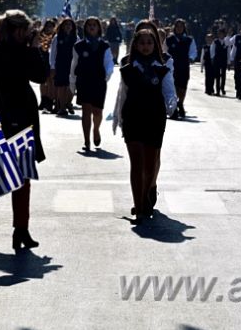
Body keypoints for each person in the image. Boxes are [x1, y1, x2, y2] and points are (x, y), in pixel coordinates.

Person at [0, 10, 49, 250]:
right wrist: (35, 48)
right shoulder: (22, 53)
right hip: (19, 117)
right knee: (22, 179)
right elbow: (41, 75)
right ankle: (21, 230)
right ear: (19, 31)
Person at [113, 29, 177, 224]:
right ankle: (139, 208)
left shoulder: (162, 67)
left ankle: (147, 194)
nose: (146, 46)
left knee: (150, 165)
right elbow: (122, 94)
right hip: (133, 117)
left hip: (155, 118)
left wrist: (172, 105)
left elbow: (169, 90)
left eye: (150, 43)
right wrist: (118, 118)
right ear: (135, 45)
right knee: (137, 164)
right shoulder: (128, 67)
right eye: (142, 43)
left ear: (155, 45)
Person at [70, 17, 114, 152]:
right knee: (86, 111)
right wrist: (72, 81)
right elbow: (74, 64)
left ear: (99, 28)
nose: (92, 27)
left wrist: (105, 77)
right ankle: (86, 141)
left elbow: (109, 64)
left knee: (97, 111)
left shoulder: (104, 46)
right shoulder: (78, 46)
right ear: (85, 28)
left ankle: (96, 129)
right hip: (84, 81)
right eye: (89, 25)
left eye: (94, 25)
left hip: (99, 82)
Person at [165, 19, 197, 118]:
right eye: (177, 26)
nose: (179, 28)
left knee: (182, 87)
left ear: (184, 28)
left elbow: (193, 51)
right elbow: (164, 51)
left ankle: (181, 103)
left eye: (181, 26)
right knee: (173, 87)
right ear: (174, 27)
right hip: (172, 67)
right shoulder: (169, 39)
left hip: (183, 66)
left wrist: (191, 58)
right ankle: (173, 107)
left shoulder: (189, 40)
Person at [49, 17, 78, 116]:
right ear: (62, 26)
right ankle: (62, 108)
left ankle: (68, 103)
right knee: (61, 86)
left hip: (73, 65)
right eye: (66, 24)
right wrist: (52, 66)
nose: (68, 26)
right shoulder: (57, 38)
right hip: (60, 64)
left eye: (70, 25)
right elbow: (53, 53)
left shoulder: (76, 38)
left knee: (71, 86)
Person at [210, 28, 228, 96]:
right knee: (217, 76)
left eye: (222, 33)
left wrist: (229, 61)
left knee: (223, 75)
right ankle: (217, 90)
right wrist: (212, 58)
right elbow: (212, 50)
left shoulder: (226, 42)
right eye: (219, 33)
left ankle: (222, 88)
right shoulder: (215, 41)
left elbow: (228, 51)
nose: (221, 35)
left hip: (224, 60)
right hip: (217, 60)